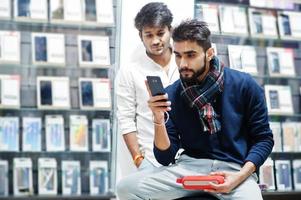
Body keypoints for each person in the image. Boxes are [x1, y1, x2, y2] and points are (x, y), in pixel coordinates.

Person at [116, 19, 274, 200]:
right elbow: (165, 157)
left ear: (209, 53)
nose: (182, 63)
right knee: (126, 188)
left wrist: (240, 176)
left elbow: (264, 139)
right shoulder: (172, 94)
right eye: (178, 55)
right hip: (188, 169)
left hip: (235, 170)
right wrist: (158, 119)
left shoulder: (244, 84)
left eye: (190, 55)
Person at [116, 2, 179, 171]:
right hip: (151, 160)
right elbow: (126, 119)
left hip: (188, 159)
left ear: (170, 30)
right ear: (140, 36)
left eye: (160, 33)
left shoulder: (185, 63)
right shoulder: (130, 71)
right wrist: (138, 159)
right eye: (149, 35)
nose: (155, 41)